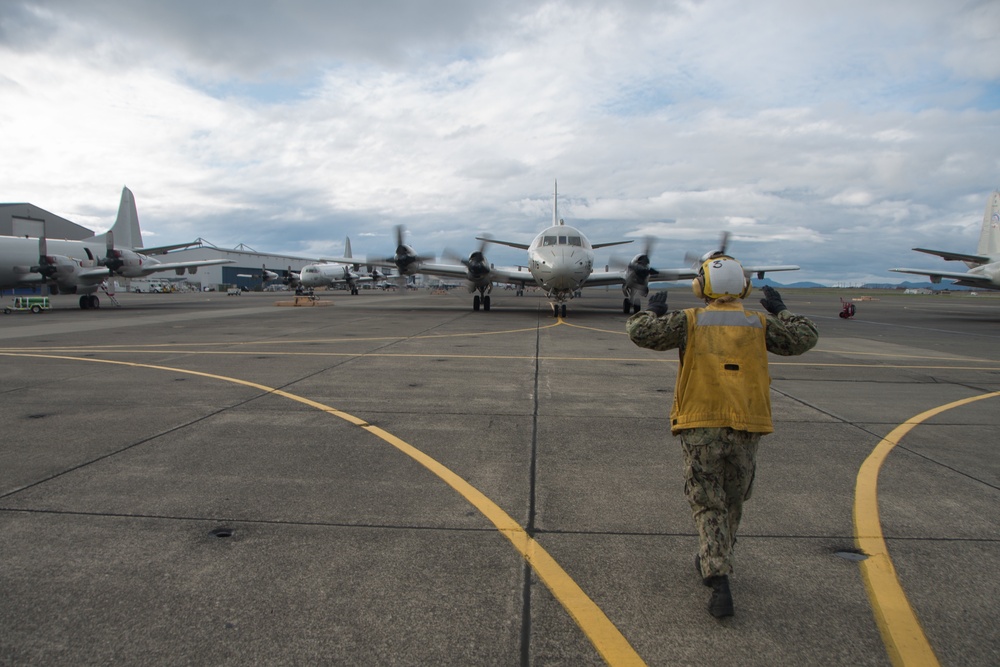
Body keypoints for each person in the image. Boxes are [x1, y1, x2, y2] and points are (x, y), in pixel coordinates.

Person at [626, 254, 818, 618]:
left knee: (706, 500)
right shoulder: (759, 322)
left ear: (702, 287)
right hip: (748, 424)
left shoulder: (690, 321)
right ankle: (717, 558)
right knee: (733, 499)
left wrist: (650, 310)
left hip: (701, 423)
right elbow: (805, 337)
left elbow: (640, 332)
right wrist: (783, 310)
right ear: (744, 286)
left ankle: (717, 574)